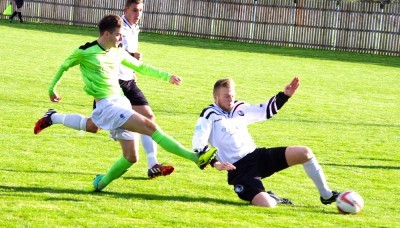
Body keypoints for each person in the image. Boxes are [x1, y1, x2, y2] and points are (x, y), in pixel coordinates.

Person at [35, 14, 217, 192]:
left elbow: (140, 67)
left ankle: (100, 183)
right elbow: (64, 66)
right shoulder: (85, 51)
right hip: (107, 106)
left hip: (121, 103)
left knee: (131, 157)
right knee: (150, 127)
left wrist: (167, 76)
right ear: (107, 34)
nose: (121, 37)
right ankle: (195, 158)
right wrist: (52, 89)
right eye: (118, 34)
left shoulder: (118, 51)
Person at [34, 0, 175, 179]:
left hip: (128, 83)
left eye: (140, 10)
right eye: (135, 10)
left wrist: (156, 72)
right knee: (93, 127)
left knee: (147, 117)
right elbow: (112, 50)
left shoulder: (134, 28)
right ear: (126, 10)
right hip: (111, 86)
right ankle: (54, 117)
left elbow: (127, 57)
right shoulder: (116, 27)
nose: (138, 14)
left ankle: (153, 164)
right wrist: (52, 88)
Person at [192, 77, 340, 207]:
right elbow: (199, 146)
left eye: (232, 95)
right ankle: (272, 197)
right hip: (239, 171)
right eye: (226, 96)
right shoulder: (209, 114)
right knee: (268, 205)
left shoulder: (239, 107)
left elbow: (264, 111)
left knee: (304, 153)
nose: (230, 99)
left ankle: (326, 195)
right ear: (215, 97)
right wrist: (216, 164)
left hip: (257, 157)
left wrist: (285, 95)